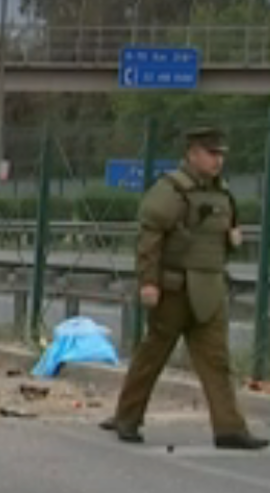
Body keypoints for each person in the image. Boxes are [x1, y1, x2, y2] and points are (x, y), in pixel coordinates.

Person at [101, 127, 268, 450]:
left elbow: (222, 238)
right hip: (174, 290)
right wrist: (149, 282)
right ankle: (127, 417)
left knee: (217, 362)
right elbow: (149, 241)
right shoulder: (170, 191)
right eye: (211, 153)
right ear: (192, 153)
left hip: (210, 288)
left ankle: (230, 428)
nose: (217, 160)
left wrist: (233, 241)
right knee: (153, 355)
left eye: (220, 154)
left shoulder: (222, 194)